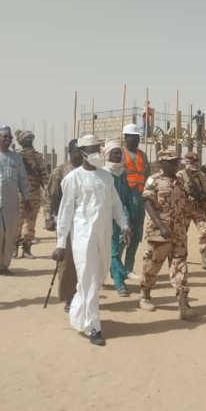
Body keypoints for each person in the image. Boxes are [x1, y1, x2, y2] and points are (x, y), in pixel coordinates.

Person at [53, 135, 130, 346]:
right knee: (88, 279)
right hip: (82, 238)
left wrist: (124, 225)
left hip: (103, 236)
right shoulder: (73, 178)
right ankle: (93, 327)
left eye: (98, 148)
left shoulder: (106, 177)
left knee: (96, 279)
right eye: (93, 149)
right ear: (82, 152)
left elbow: (116, 204)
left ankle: (80, 314)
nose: (97, 152)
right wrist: (61, 244)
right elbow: (65, 212)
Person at [139, 150, 191, 319]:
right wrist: (161, 226)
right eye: (171, 162)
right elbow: (148, 204)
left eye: (176, 161)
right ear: (161, 163)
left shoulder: (180, 181)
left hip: (179, 232)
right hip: (159, 232)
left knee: (180, 265)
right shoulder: (153, 180)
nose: (175, 165)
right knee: (152, 264)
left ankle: (183, 302)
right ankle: (145, 294)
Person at [0, 126, 30, 275]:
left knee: (9, 234)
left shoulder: (16, 158)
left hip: (12, 201)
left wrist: (26, 198)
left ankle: (3, 265)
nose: (8, 139)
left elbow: (23, 179)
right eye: (5, 137)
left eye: (10, 137)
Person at [43, 139, 81, 311]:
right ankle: (69, 297)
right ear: (70, 153)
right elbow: (50, 196)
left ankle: (82, 295)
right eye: (78, 151)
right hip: (66, 221)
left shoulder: (90, 171)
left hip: (85, 223)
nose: (81, 154)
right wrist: (48, 217)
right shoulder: (60, 172)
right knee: (67, 261)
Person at [103, 140, 135, 298]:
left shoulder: (122, 174)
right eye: (114, 153)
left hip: (119, 218)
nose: (117, 156)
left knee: (114, 249)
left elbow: (127, 197)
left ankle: (118, 276)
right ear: (108, 155)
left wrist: (131, 217)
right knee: (110, 251)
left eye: (119, 153)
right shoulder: (103, 174)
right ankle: (120, 280)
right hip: (103, 218)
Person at [177, 152, 206, 270]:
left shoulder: (200, 174)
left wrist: (205, 197)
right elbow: (177, 192)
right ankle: (179, 258)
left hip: (198, 208)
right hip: (185, 209)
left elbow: (204, 190)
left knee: (205, 230)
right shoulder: (180, 175)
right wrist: (187, 195)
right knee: (181, 235)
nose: (193, 169)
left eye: (194, 164)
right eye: (190, 164)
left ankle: (205, 257)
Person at [14, 129, 48, 259]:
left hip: (34, 194)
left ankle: (27, 248)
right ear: (21, 141)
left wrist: (47, 191)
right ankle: (14, 247)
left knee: (31, 222)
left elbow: (44, 174)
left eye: (30, 139)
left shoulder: (38, 156)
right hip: (19, 194)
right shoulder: (16, 156)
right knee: (17, 223)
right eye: (26, 139)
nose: (29, 141)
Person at [121, 123, 149, 279]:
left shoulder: (142, 156)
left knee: (136, 235)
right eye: (133, 137)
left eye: (138, 137)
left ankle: (128, 268)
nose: (137, 140)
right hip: (124, 200)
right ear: (125, 137)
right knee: (123, 235)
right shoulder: (119, 154)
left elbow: (147, 176)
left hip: (139, 199)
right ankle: (116, 268)